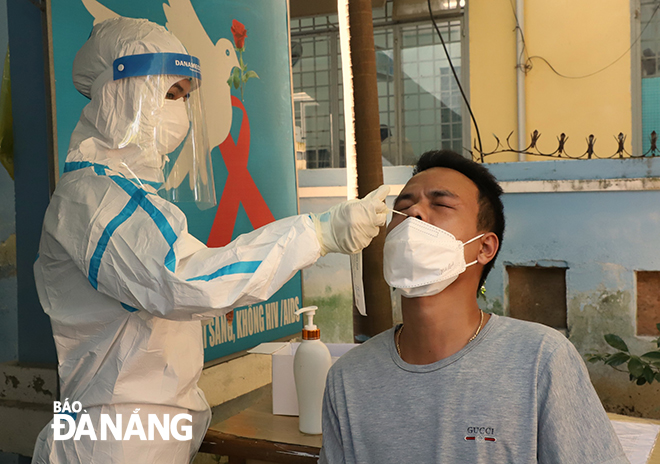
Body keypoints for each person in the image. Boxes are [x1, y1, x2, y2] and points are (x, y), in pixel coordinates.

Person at [31, 18, 389, 464]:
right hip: (111, 445)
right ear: (119, 93)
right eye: (169, 94)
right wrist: (316, 233)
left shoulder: (127, 197)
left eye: (185, 96)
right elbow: (188, 281)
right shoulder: (95, 198)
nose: (179, 110)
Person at [320, 150, 629, 464]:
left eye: (440, 204)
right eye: (401, 208)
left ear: (484, 247)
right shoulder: (348, 378)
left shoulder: (540, 359)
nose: (414, 214)